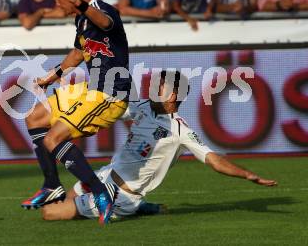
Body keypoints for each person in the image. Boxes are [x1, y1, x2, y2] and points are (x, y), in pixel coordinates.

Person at [40, 70, 277, 221]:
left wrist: (247, 175)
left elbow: (214, 160)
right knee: (59, 201)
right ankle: (142, 208)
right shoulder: (143, 106)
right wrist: (69, 100)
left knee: (49, 213)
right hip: (103, 177)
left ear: (173, 95)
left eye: (160, 86)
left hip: (120, 195)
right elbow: (107, 107)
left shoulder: (180, 130)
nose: (152, 88)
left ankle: (133, 207)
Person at [21, 0, 131, 225]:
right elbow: (78, 53)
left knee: (53, 137)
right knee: (35, 117)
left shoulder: (101, 9)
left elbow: (105, 23)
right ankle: (52, 185)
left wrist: (79, 3)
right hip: (93, 88)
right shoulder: (81, 20)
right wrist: (53, 75)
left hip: (110, 94)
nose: (55, 1)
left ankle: (100, 190)